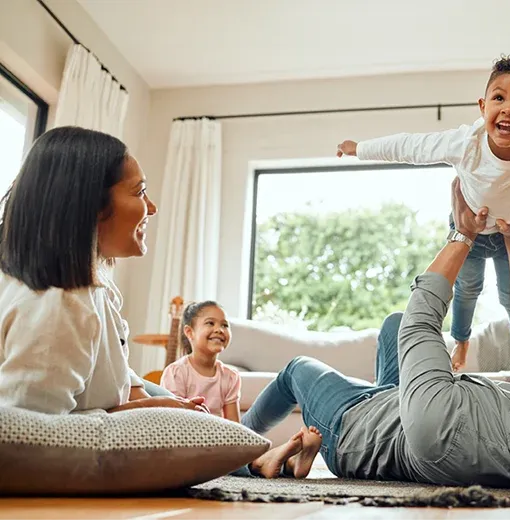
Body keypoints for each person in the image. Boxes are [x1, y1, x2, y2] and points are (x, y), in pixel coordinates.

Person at [241, 178, 510, 493]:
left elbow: (422, 322)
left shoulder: (445, 436)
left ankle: (243, 452)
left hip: (353, 429)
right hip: (402, 406)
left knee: (297, 370)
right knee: (392, 323)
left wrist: (463, 235)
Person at [0, 126, 311, 480]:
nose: (152, 207)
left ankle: (258, 458)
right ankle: (257, 460)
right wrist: (143, 411)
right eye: (140, 192)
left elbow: (113, 370)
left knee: (197, 415)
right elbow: (29, 436)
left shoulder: (93, 285)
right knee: (203, 424)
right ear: (89, 205)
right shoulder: (56, 307)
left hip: (126, 393)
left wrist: (147, 400)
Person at [337, 52, 510, 379]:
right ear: (483, 107)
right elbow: (409, 147)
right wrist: (359, 148)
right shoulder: (464, 144)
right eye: (499, 97)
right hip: (467, 228)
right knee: (467, 288)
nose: (508, 108)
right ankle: (461, 339)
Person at [160, 299, 324, 478]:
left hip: (222, 440)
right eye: (210, 323)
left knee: (237, 456)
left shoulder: (230, 376)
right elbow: (174, 423)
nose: (219, 329)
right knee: (234, 469)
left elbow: (235, 427)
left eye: (225, 325)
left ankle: (281, 462)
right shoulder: (176, 372)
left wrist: (238, 448)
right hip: (190, 443)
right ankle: (278, 462)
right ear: (189, 332)